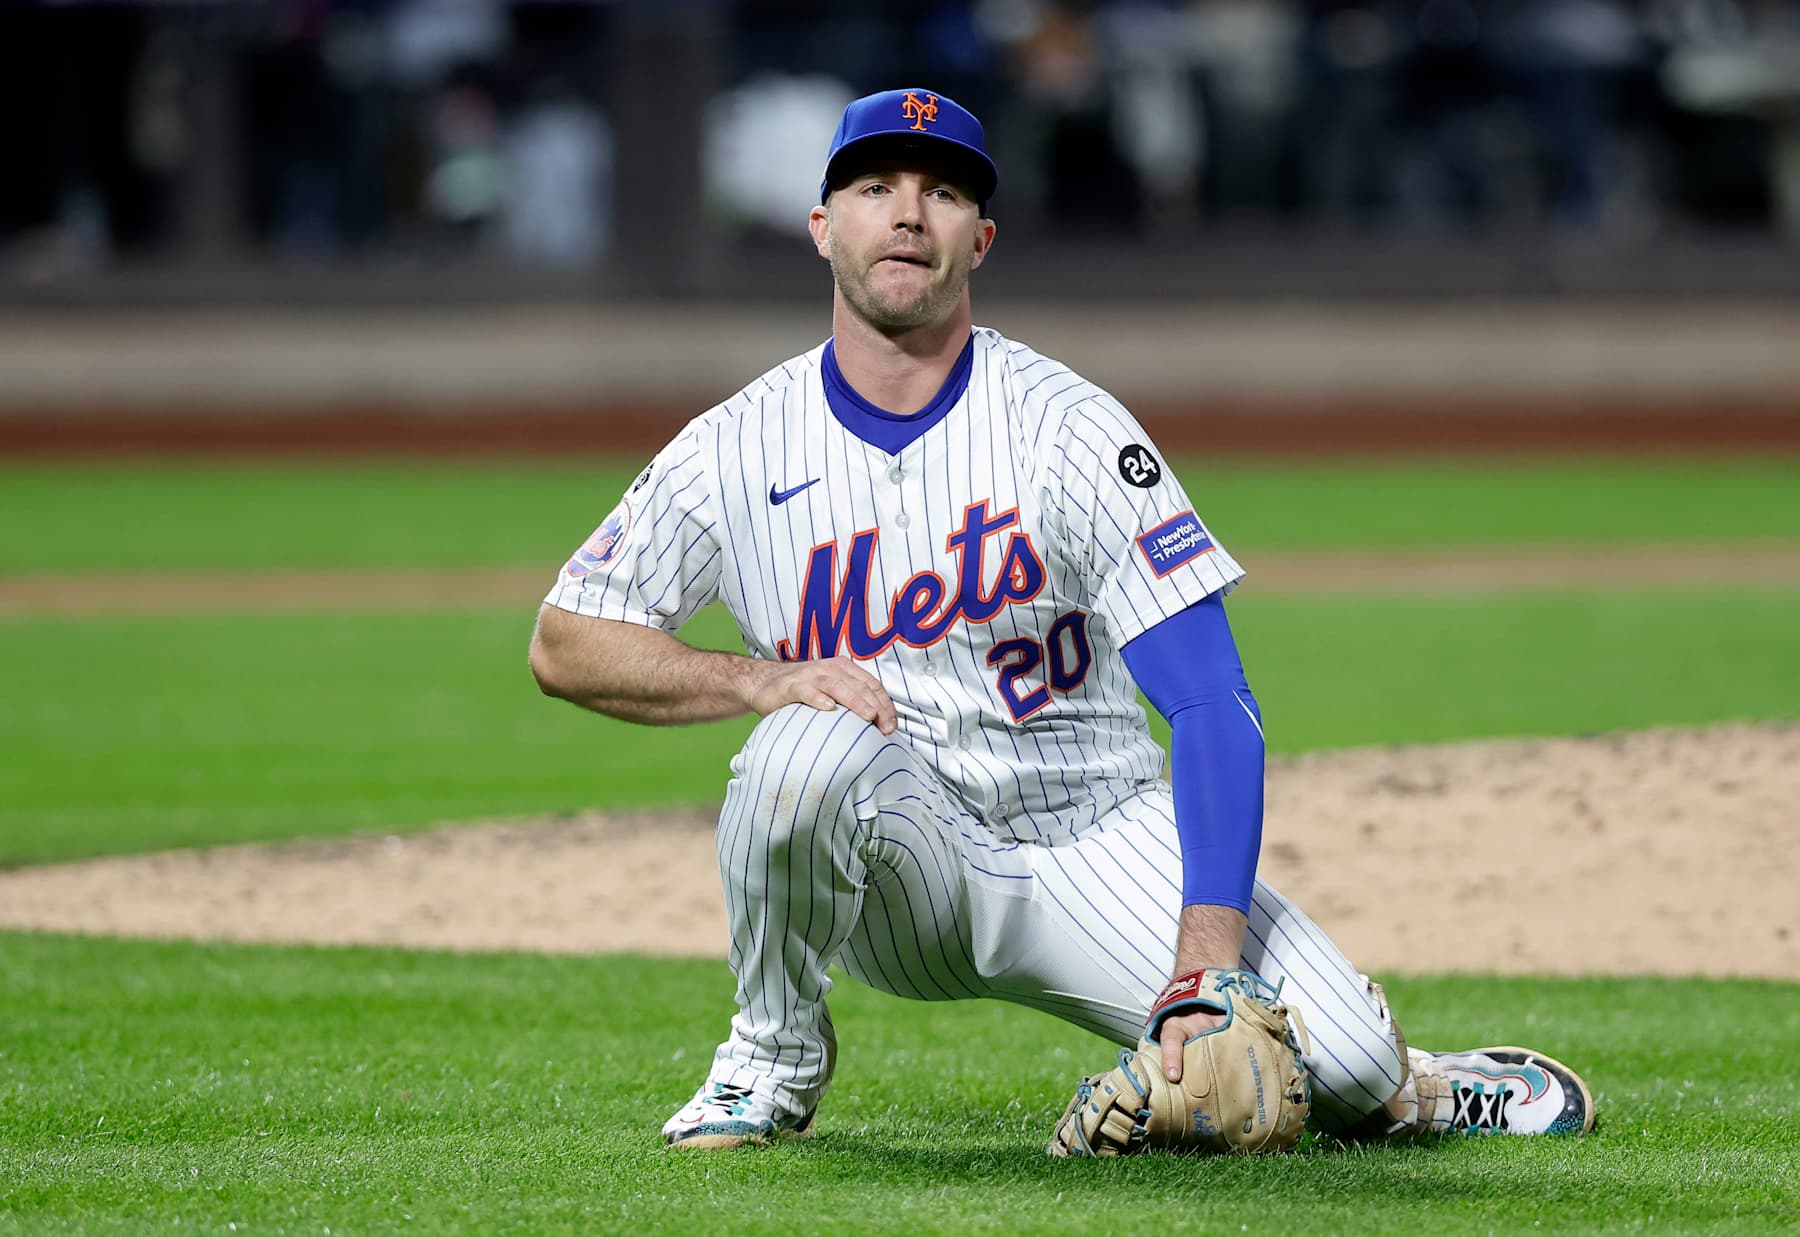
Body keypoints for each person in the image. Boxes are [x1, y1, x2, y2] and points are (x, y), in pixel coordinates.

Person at [529, 87, 1595, 1151]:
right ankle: (767, 1063)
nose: (907, 214)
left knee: (1338, 1064)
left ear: (980, 238)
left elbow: (1212, 701)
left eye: (942, 193)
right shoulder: (734, 445)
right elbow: (564, 639)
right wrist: (754, 681)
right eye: (873, 187)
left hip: (1095, 835)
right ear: (823, 227)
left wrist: (1207, 966)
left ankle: (1416, 1086)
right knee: (798, 748)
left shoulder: (1069, 429)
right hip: (908, 869)